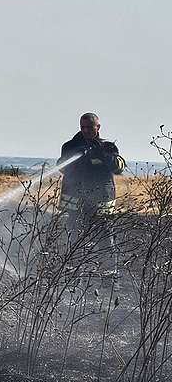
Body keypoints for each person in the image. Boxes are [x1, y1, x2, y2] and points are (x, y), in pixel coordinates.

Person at [57, 112, 125, 271]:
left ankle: (108, 272)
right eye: (82, 127)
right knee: (74, 235)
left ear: (98, 127)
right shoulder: (70, 146)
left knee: (104, 236)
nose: (85, 131)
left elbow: (119, 168)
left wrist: (103, 155)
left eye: (89, 127)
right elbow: (61, 167)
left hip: (100, 199)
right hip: (76, 200)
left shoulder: (107, 147)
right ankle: (73, 270)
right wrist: (74, 156)